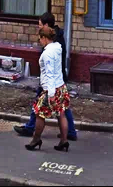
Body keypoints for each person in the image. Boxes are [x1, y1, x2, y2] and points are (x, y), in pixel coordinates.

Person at [15, 12, 77, 140]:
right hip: (57, 79)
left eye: (40, 25)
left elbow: (50, 67)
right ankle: (69, 133)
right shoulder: (57, 39)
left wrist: (50, 91)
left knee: (40, 107)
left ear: (46, 25)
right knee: (62, 108)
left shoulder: (52, 42)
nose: (38, 28)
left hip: (51, 81)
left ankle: (32, 131)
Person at [24, 25, 71, 152]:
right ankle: (64, 141)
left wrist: (50, 95)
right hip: (60, 86)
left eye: (40, 38)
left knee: (39, 114)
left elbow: (49, 74)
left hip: (51, 89)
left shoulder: (47, 54)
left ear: (44, 38)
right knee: (61, 114)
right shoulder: (57, 48)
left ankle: (36, 140)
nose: (40, 41)